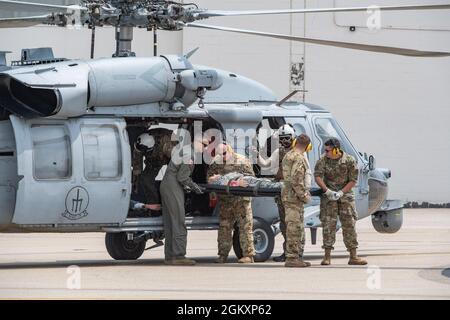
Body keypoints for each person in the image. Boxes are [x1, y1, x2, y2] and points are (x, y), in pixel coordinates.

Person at [314, 138, 367, 266]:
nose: (325, 152)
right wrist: (327, 191)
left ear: (336, 149)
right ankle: (327, 257)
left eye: (327, 150)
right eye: (324, 150)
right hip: (329, 198)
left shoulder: (349, 160)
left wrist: (342, 192)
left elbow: (353, 180)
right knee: (328, 226)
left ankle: (353, 256)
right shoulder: (323, 161)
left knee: (349, 225)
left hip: (346, 197)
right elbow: (318, 176)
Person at [207, 143, 256, 264]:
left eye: (224, 153)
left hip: (241, 200)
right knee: (224, 228)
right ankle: (222, 255)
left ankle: (248, 255)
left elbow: (251, 178)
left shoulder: (242, 160)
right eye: (219, 154)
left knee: (245, 227)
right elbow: (209, 179)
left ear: (229, 150)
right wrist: (212, 179)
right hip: (226, 201)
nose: (222, 157)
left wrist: (236, 181)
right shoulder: (216, 162)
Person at [159, 138, 204, 266]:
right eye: (204, 146)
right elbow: (182, 177)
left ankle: (170, 256)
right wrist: (195, 187)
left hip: (167, 184)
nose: (205, 149)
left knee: (170, 222)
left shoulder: (185, 150)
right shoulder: (189, 154)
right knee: (179, 221)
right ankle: (178, 255)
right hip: (173, 185)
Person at [281, 133, 312, 267]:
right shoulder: (299, 158)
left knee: (295, 226)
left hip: (288, 196)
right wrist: (304, 196)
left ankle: (297, 257)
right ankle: (292, 258)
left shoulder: (288, 155)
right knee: (294, 228)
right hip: (294, 197)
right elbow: (296, 180)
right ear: (307, 146)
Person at [137, 128, 177, 208]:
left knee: (171, 181)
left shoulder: (167, 145)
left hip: (171, 158)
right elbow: (136, 162)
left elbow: (176, 162)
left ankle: (173, 205)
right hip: (154, 161)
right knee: (145, 179)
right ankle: (153, 205)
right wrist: (136, 176)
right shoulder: (140, 143)